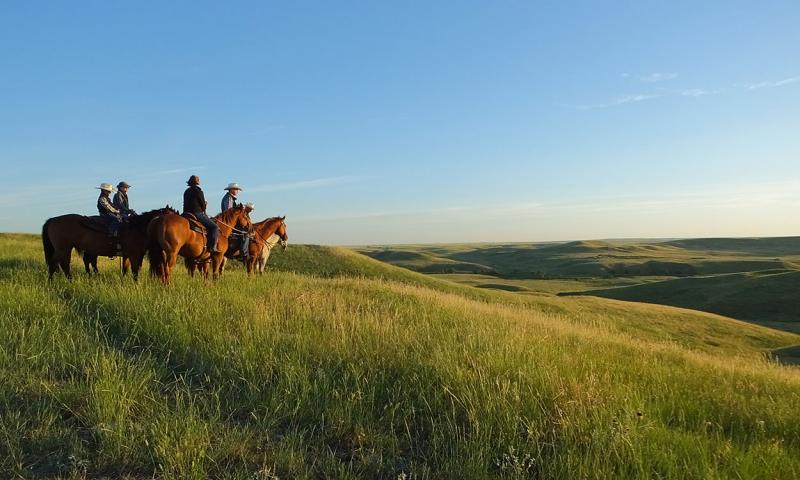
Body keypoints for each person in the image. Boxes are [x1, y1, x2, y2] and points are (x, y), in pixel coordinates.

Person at [182, 175, 220, 252]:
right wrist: (204, 206)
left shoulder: (186, 191)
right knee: (214, 227)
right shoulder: (199, 191)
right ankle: (212, 247)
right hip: (197, 213)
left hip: (186, 213)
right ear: (197, 183)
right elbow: (202, 203)